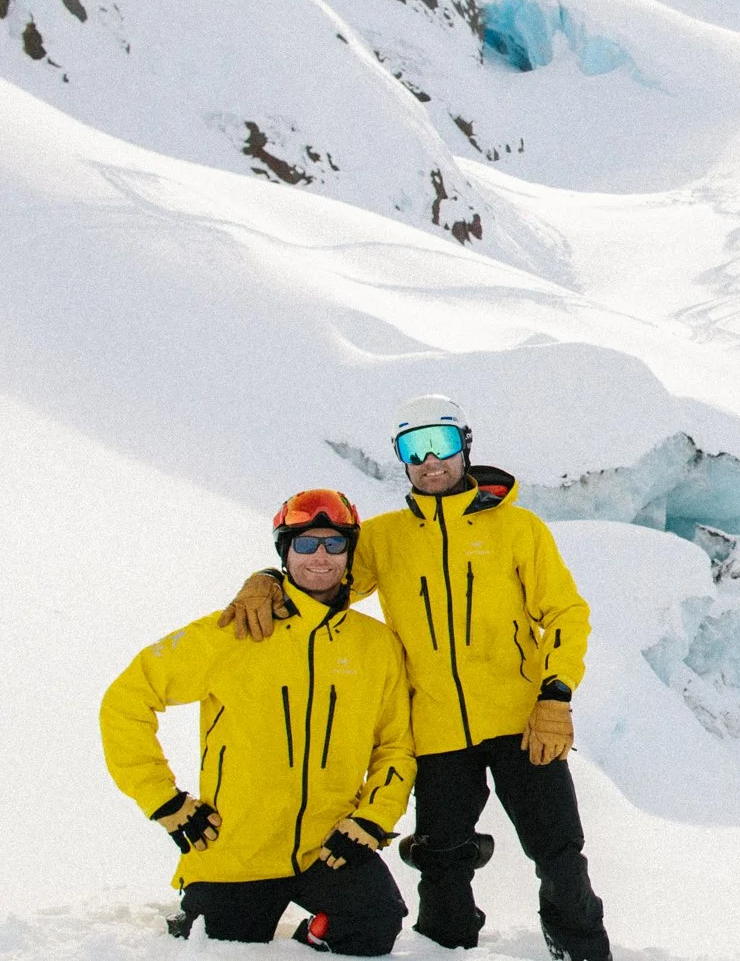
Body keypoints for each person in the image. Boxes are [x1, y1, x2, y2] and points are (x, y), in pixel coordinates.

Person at [222, 396, 611, 961]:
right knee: (441, 857)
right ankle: (445, 947)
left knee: (559, 852)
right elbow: (322, 577)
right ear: (401, 460)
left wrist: (555, 695)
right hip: (433, 727)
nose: (431, 460)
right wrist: (265, 578)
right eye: (414, 449)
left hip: (524, 720)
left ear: (465, 448)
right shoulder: (383, 538)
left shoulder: (518, 529)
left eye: (443, 445)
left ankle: (579, 948)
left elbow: (566, 615)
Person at [101, 489, 414, 954]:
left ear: (351, 552)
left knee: (375, 924)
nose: (321, 557)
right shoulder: (237, 629)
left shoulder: (377, 646)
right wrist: (165, 803)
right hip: (238, 848)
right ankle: (197, 911)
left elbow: (395, 747)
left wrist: (372, 818)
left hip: (325, 844)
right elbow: (125, 701)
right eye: (305, 545)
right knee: (226, 945)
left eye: (334, 543)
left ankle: (310, 936)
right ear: (284, 552)